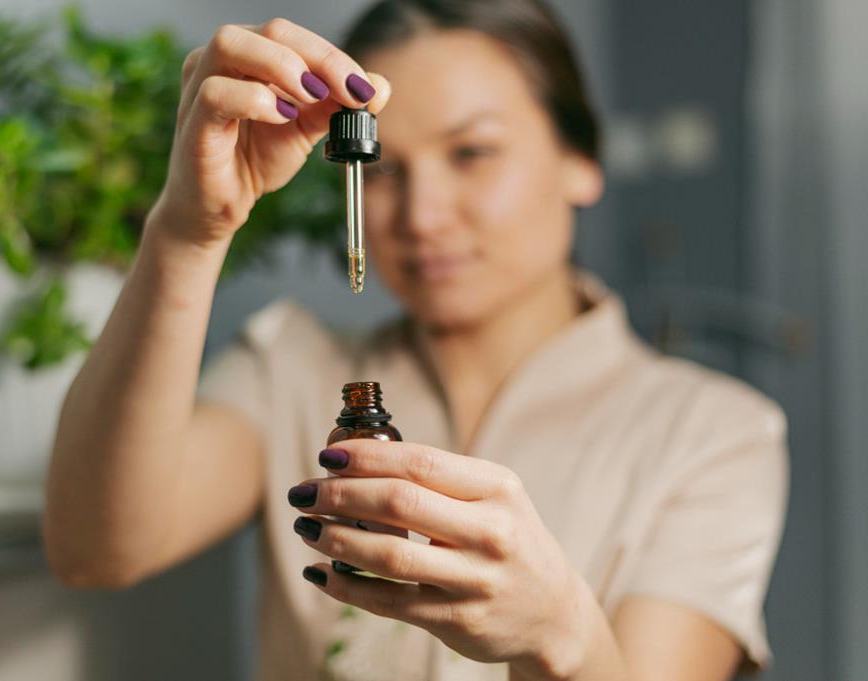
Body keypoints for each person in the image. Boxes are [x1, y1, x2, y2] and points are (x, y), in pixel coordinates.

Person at [42, 1, 789, 680]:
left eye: (471, 153)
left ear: (581, 161)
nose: (422, 216)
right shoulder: (292, 367)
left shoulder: (712, 433)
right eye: (386, 168)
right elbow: (95, 549)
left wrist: (560, 633)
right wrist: (187, 230)